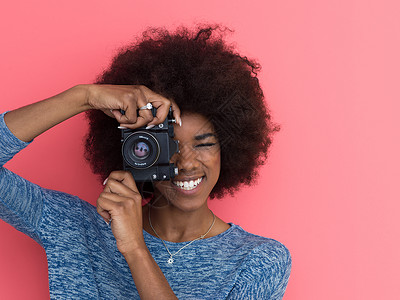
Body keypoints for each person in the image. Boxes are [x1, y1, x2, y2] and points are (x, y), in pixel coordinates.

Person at [0, 25, 291, 299]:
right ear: (137, 150)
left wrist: (135, 249)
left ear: (229, 149)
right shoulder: (79, 231)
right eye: (168, 146)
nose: (187, 163)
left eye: (204, 144)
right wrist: (83, 96)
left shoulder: (257, 261)